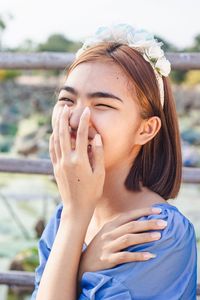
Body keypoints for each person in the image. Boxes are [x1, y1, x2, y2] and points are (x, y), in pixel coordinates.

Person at [31, 24, 197, 300]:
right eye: (67, 99)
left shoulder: (159, 232)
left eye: (102, 105)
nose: (74, 120)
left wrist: (74, 238)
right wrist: (82, 261)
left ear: (146, 129)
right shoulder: (63, 216)